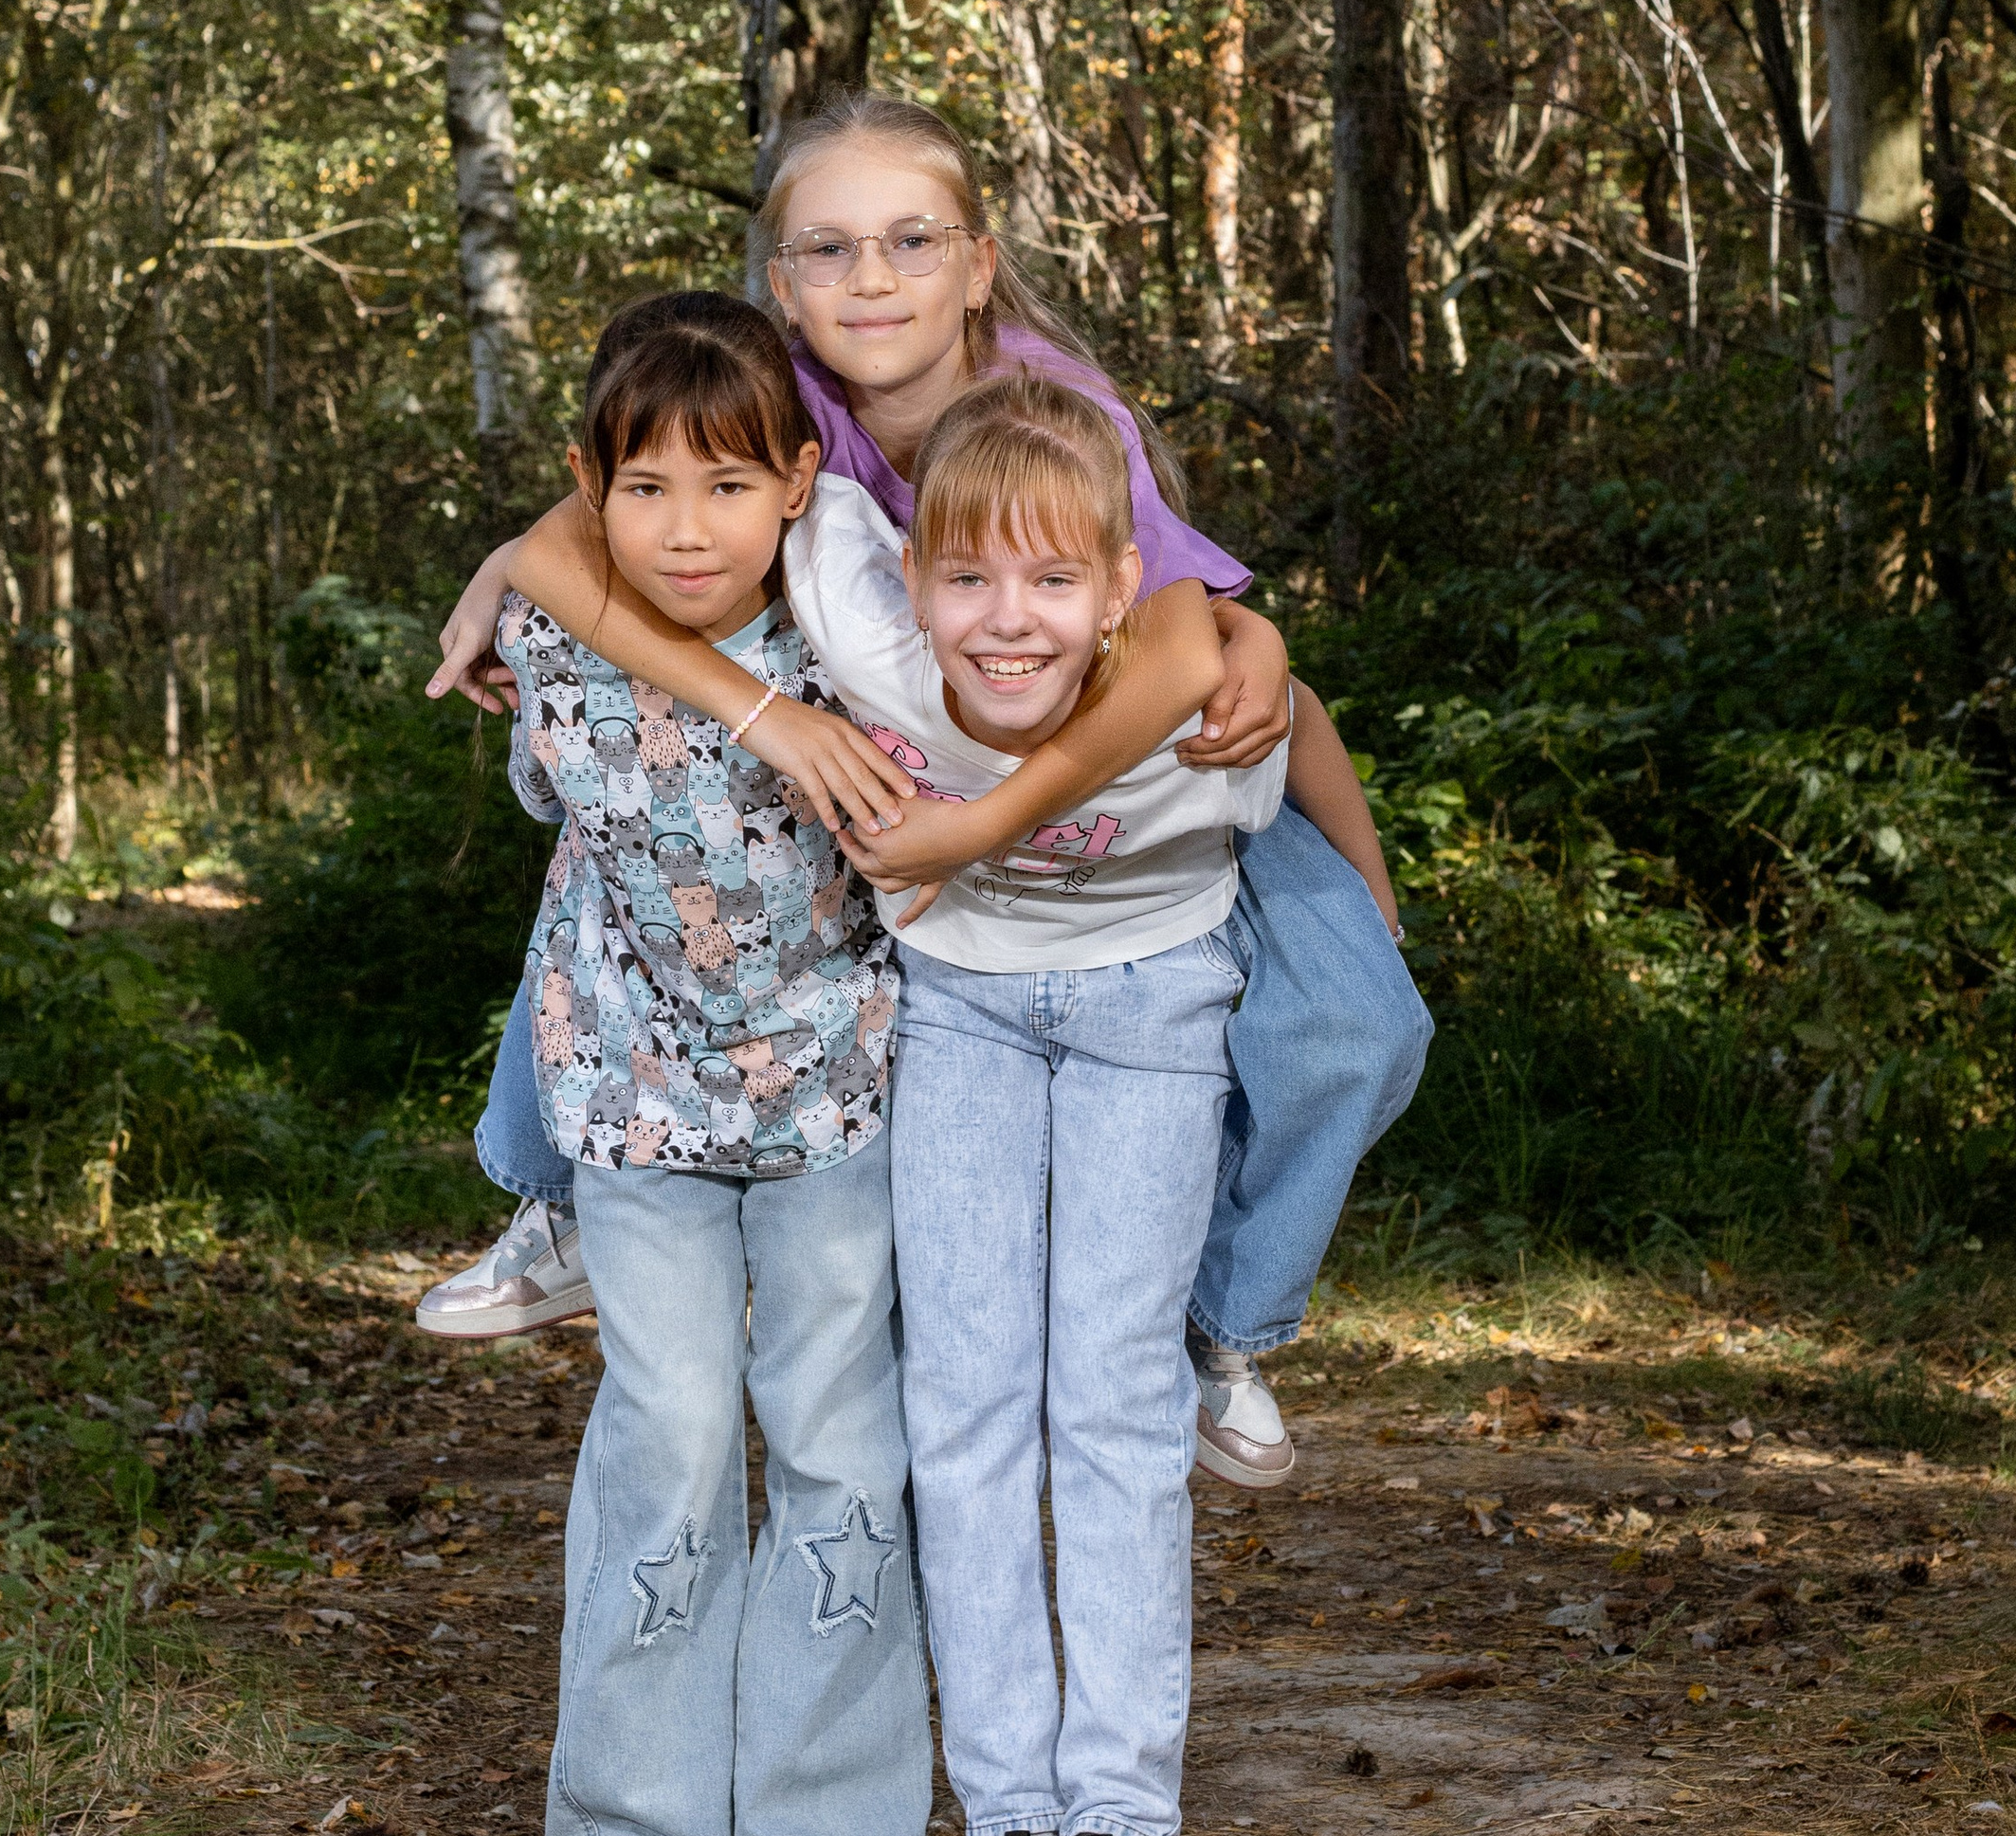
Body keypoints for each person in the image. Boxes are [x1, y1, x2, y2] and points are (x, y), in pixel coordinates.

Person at [427, 94, 1430, 1487]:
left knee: (1364, 1017)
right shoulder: (790, 403)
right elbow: (570, 531)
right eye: (829, 251)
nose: (872, 279)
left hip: (1136, 780)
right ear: (782, 284)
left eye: (910, 241)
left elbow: (1204, 654)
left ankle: (1218, 1320)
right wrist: (697, 674)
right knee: (633, 820)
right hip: (916, 775)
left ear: (977, 260)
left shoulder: (1051, 409)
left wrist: (1023, 813)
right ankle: (565, 1200)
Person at [785, 372, 1335, 1836]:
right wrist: (492, 581)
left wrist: (1267, 650)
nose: (1004, 621)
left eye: (1050, 581)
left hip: (1152, 1022)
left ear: (1119, 596)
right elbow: (648, 494)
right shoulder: (868, 625)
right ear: (911, 583)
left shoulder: (1194, 701)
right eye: (966, 577)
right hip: (955, 1012)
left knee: (1107, 1403)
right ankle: (1014, 1835)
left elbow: (1282, 731)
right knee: (961, 1407)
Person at [486, 289, 930, 1836]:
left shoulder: (858, 643)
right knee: (664, 1446)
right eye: (646, 488)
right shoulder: (552, 635)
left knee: (837, 1448)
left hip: (836, 1100)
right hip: (634, 1106)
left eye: (729, 487)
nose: (687, 528)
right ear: (590, 490)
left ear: (801, 487)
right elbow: (551, 732)